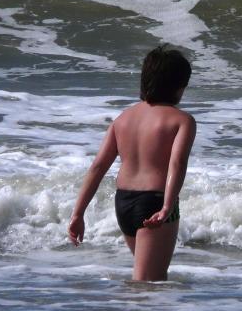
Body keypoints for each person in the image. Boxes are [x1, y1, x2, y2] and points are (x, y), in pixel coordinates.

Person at [68, 45, 196, 281]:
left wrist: (78, 213)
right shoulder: (182, 120)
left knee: (146, 282)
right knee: (148, 285)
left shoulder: (123, 119)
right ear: (179, 86)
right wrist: (167, 208)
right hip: (155, 203)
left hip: (124, 203)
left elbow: (97, 167)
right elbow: (177, 164)